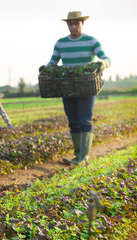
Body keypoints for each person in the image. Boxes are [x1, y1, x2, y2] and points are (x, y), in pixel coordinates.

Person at [46, 11, 111, 165]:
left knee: (84, 120)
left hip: (86, 86)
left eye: (76, 23)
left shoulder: (91, 41)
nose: (73, 26)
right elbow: (52, 63)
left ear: (82, 23)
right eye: (70, 24)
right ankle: (77, 156)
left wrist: (103, 64)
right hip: (67, 87)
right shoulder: (60, 43)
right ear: (67, 25)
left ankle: (84, 157)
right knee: (73, 121)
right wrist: (45, 70)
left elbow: (107, 58)